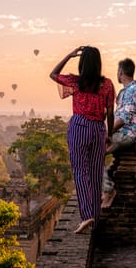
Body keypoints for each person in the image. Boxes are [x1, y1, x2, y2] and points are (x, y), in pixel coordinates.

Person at [50, 46, 115, 234]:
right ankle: (95, 220)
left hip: (79, 126)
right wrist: (109, 134)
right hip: (98, 129)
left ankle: (87, 216)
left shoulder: (76, 82)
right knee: (95, 175)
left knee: (80, 172)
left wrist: (69, 55)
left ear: (82, 63)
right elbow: (110, 112)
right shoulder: (108, 84)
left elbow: (53, 74)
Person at [101, 58, 136, 208]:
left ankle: (108, 190)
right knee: (91, 149)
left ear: (120, 72)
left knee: (92, 152)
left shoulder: (132, 91)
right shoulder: (126, 91)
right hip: (121, 133)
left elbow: (123, 119)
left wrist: (107, 134)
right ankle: (105, 189)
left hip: (127, 134)